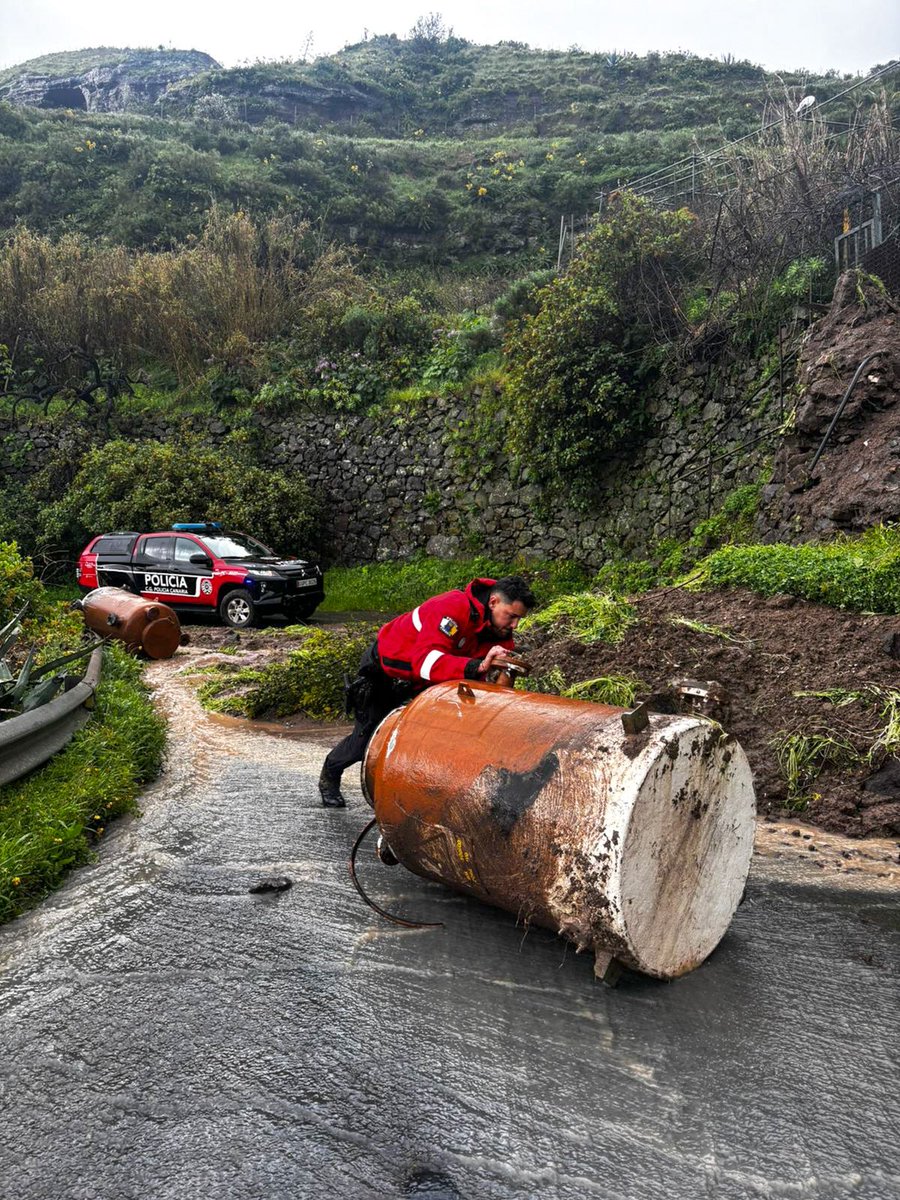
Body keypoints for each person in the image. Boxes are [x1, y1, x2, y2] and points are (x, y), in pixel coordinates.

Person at [318, 575, 536, 807]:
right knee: (367, 740)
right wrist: (478, 666)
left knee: (432, 738)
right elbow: (425, 663)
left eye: (519, 619)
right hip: (385, 672)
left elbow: (484, 684)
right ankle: (330, 772)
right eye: (511, 616)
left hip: (427, 682)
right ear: (493, 602)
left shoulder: (500, 633)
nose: (515, 626)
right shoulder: (452, 608)